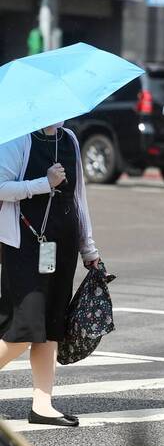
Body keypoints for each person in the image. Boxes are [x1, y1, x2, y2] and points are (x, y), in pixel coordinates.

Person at [0, 122, 101, 427]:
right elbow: (1, 186)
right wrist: (43, 183)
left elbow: (78, 198)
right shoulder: (18, 139)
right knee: (24, 327)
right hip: (25, 246)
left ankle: (42, 405)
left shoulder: (68, 139)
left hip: (62, 247)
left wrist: (89, 249)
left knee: (50, 327)